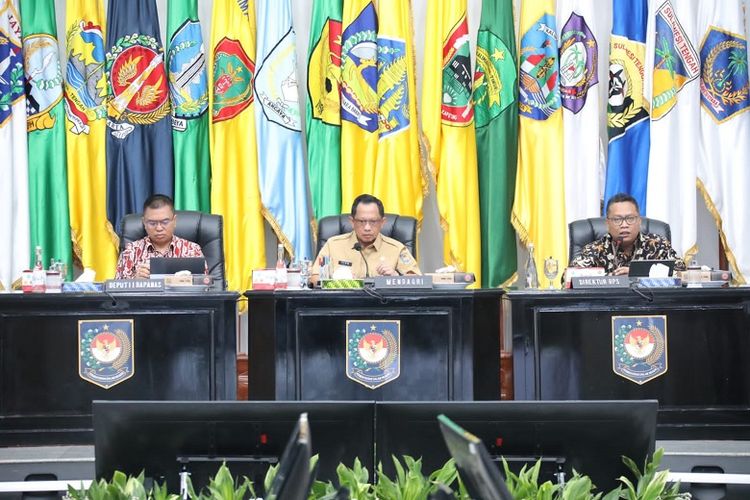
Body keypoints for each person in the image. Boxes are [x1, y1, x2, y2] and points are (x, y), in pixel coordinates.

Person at [310, 194, 420, 286]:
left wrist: (396, 278)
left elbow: (417, 280)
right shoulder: (333, 245)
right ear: (352, 222)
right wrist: (337, 283)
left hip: (384, 307)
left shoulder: (396, 248)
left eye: (373, 222)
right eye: (362, 222)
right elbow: (315, 279)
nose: (367, 227)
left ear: (382, 222)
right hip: (342, 306)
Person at [569, 192, 685, 276]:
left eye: (630, 218)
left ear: (639, 221)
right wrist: (614, 279)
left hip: (650, 307)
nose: (624, 224)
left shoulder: (657, 245)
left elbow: (683, 273)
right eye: (617, 219)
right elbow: (569, 278)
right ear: (607, 223)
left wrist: (638, 273)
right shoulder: (595, 250)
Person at [114, 194, 204, 279]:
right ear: (144, 223)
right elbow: (116, 290)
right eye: (152, 223)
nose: (159, 228)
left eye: (165, 222)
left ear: (175, 221)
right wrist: (136, 281)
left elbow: (206, 287)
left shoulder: (192, 250)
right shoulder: (131, 251)